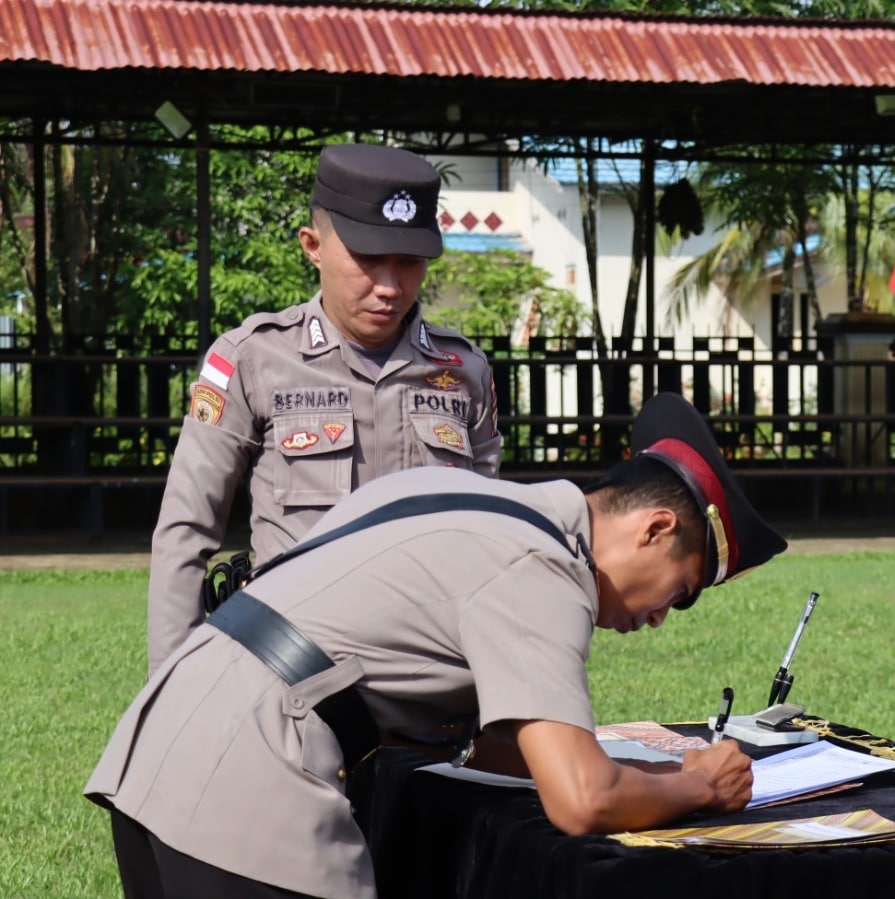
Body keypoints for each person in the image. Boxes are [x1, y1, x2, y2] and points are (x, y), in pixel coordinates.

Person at [87, 391, 787, 899]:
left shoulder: (466, 496)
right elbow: (580, 800)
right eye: (683, 589)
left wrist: (617, 772)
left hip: (162, 752)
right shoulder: (542, 565)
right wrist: (699, 783)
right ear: (656, 528)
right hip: (250, 786)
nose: (663, 616)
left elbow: (487, 746)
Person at [147, 143, 502, 674]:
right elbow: (185, 531)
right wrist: (171, 693)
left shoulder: (464, 373)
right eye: (367, 259)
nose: (389, 286)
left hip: (431, 676)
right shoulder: (253, 360)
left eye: (409, 263)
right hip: (291, 672)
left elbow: (487, 544)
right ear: (312, 246)